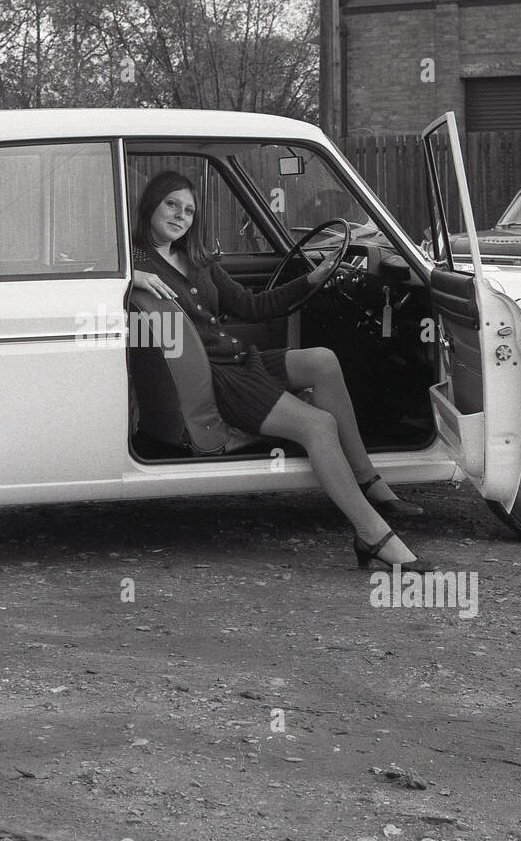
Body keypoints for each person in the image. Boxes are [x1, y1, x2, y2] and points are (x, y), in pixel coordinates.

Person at [131, 171, 433, 574]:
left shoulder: (198, 259)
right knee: (318, 425)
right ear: (151, 203)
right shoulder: (133, 260)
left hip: (238, 359)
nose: (181, 216)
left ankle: (365, 478)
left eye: (189, 210)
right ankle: (373, 536)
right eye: (172, 204)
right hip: (216, 379)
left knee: (322, 359)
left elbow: (252, 307)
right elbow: (93, 278)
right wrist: (132, 276)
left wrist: (312, 278)